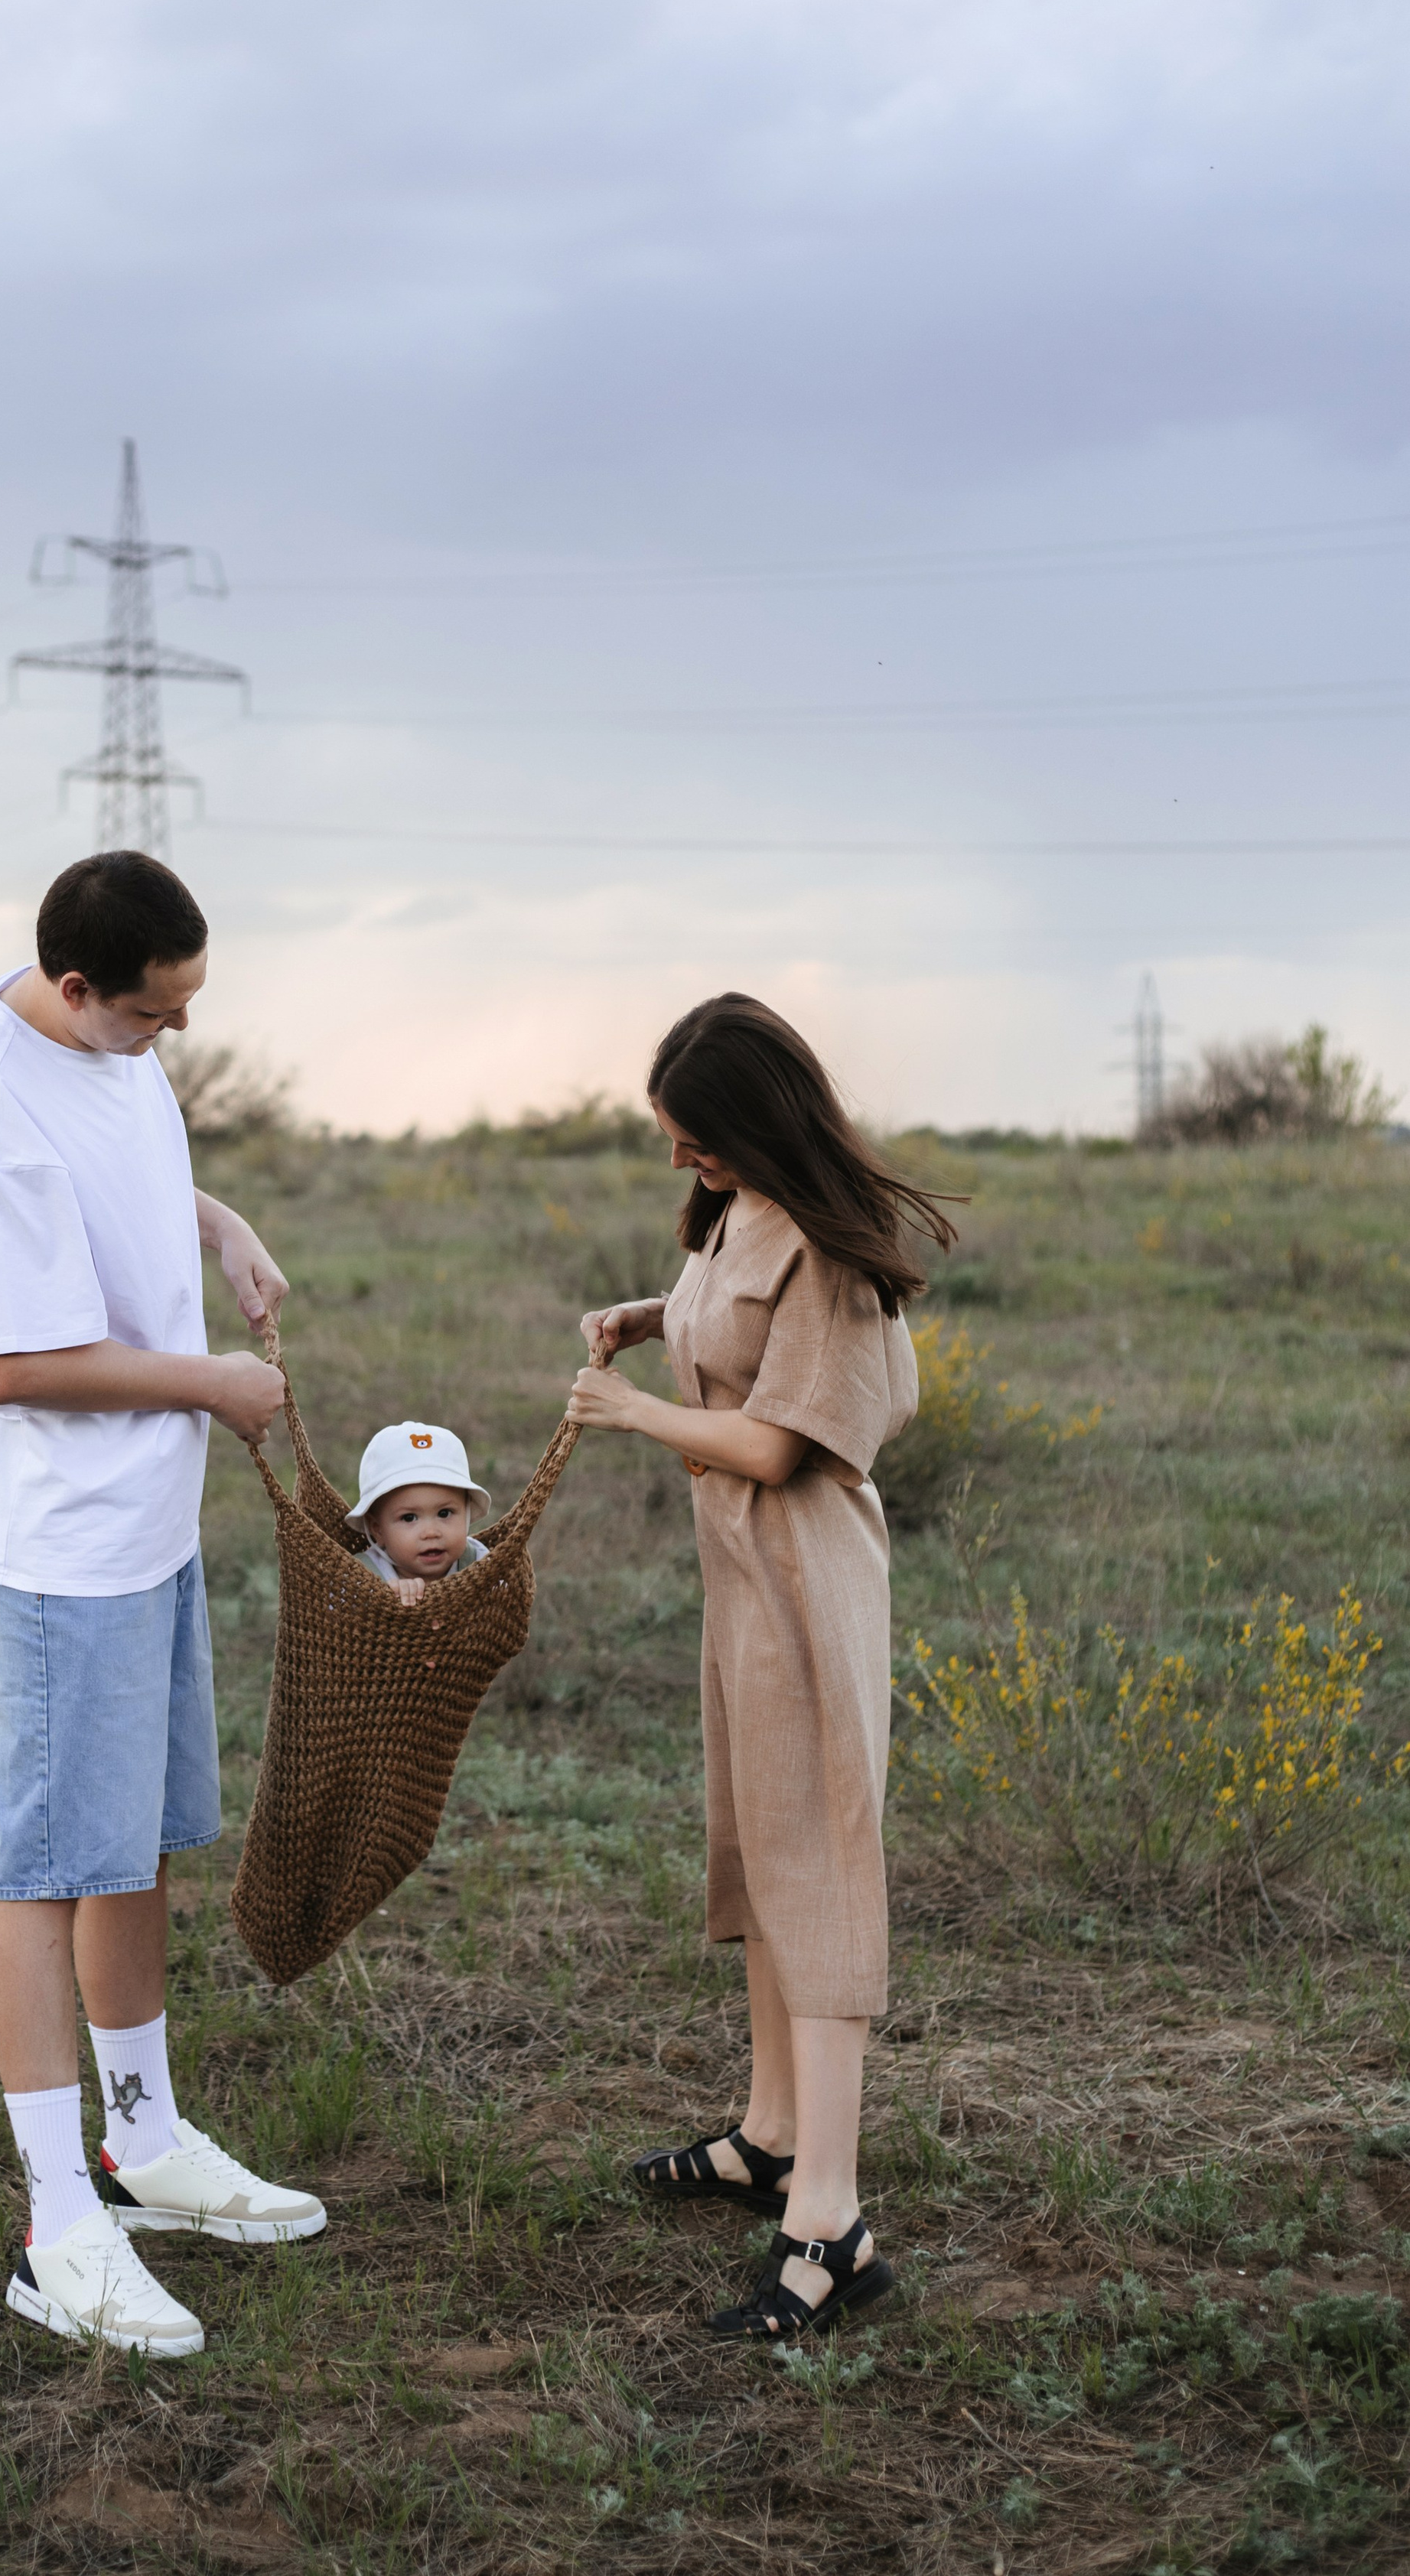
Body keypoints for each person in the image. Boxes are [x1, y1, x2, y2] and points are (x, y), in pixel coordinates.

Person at [0, 849, 324, 2360]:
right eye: (154, 1013)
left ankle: (143, 2142)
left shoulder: (105, 1043)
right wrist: (213, 1385)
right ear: (79, 985)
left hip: (143, 1534)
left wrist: (217, 1224)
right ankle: (58, 2230)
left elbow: (124, 1163)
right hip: (59, 1557)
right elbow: (16, 1364)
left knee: (132, 1844)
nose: (173, 1034)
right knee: (45, 1874)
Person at [566, 992, 955, 2343]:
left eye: (697, 1137)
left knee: (819, 1874)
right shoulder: (742, 1213)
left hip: (805, 1585)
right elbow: (735, 1336)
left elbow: (779, 1444)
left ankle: (831, 2228)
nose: (681, 1158)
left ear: (758, 1123)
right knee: (765, 1856)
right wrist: (648, 1320)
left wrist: (634, 1413)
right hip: (741, 1580)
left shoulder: (832, 1258)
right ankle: (772, 2137)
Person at [348, 1422, 491, 1603]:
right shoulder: (362, 1576)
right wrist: (385, 1599)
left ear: (466, 1513)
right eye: (409, 1518)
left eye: (444, 1513)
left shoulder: (479, 1562)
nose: (431, 1533)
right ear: (378, 1529)